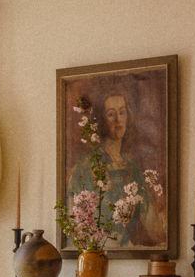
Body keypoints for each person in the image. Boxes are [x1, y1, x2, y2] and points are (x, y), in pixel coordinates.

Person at [67, 87, 168, 247]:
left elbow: (151, 223)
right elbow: (75, 224)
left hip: (126, 250)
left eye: (122, 112)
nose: (118, 120)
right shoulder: (87, 166)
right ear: (101, 120)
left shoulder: (132, 166)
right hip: (96, 249)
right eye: (111, 114)